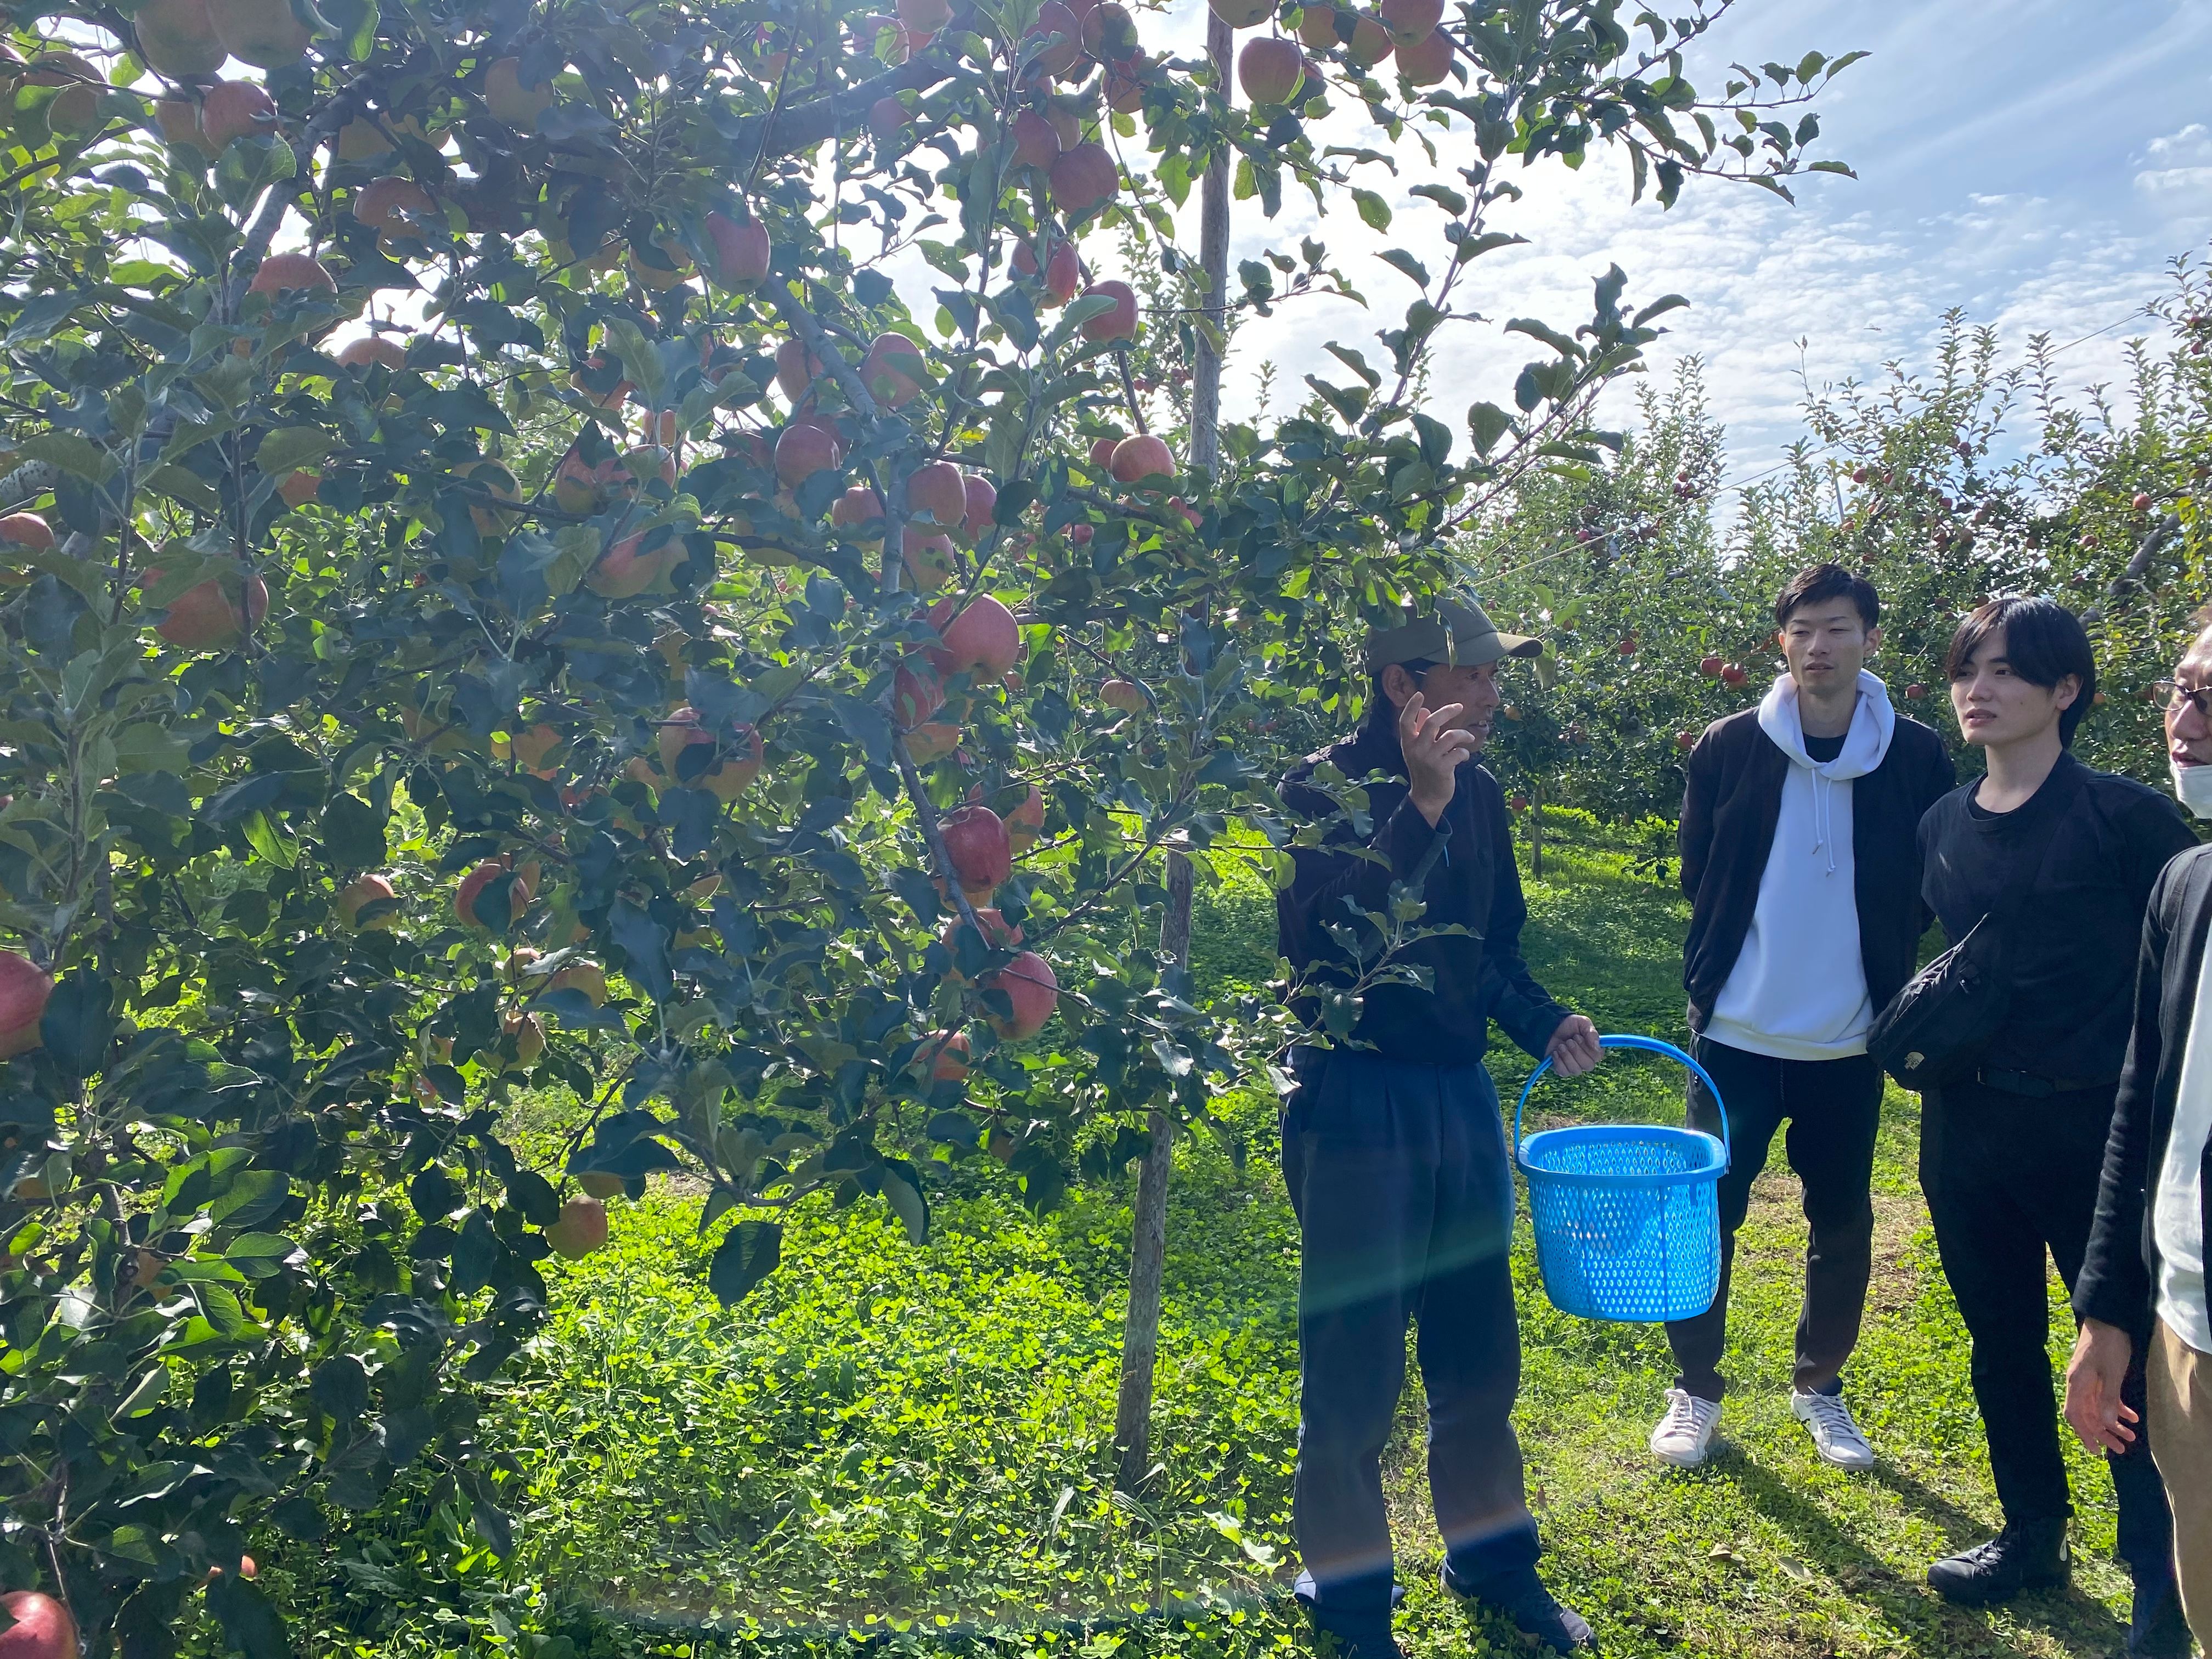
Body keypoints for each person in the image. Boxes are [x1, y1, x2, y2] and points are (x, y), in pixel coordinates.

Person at [1276, 595, 1604, 1657]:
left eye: (1498, 675)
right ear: (1402, 685)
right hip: (1355, 1096)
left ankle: (1493, 1564)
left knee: (1477, 1354)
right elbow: (1323, 943)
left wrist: (1543, 1019)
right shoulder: (1320, 789)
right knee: (1355, 1372)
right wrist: (1419, 807)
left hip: (1457, 1096)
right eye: (1477, 674)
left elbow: (1489, 949)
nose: (1495, 694)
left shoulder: (1486, 792)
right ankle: (1350, 1607)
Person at [1915, 596, 2196, 1654]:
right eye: (1966, 670)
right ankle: (2032, 1530)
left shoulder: (2128, 822)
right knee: (2000, 1342)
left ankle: (2158, 1576)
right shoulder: (1942, 823)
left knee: (2124, 1357)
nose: (1977, 691)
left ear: (2065, 689)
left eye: (2005, 671)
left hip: (2094, 1136)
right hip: (1967, 1129)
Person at [1652, 564, 1954, 1472]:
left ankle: (1820, 1388)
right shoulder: (1731, 745)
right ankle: (1695, 1388)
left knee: (1842, 1219)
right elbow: (1699, 868)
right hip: (1736, 1037)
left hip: (1849, 1039)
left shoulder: (1915, 755)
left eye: (1838, 628)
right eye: (1803, 631)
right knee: (1707, 1214)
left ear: (1870, 638)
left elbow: (1929, 877)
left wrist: (1876, 963)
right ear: (1781, 643)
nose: (1819, 647)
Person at [2067, 606, 2212, 1653]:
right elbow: (2146, 1101)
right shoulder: (2187, 883)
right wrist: (2110, 1310)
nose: (2186, 721)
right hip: (2187, 1320)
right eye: (2183, 690)